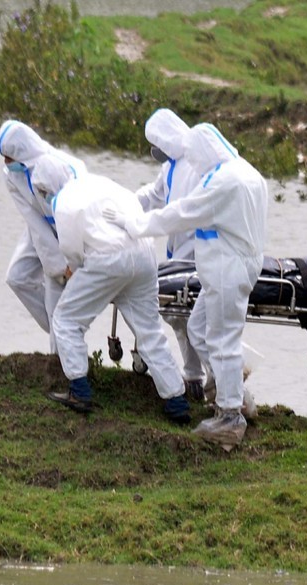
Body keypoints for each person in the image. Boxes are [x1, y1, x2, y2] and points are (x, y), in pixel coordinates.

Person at [104, 123, 268, 449]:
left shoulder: (224, 181)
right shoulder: (246, 173)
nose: (192, 165)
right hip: (237, 264)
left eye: (193, 158)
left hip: (226, 268)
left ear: (203, 150)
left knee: (222, 340)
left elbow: (180, 214)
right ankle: (236, 394)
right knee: (199, 327)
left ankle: (230, 417)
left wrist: (134, 225)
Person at [29, 158, 191, 424]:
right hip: (144, 255)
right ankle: (177, 401)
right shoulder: (103, 183)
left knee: (67, 319)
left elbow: (70, 249)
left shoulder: (65, 200)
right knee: (149, 330)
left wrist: (78, 271)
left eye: (44, 192)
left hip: (108, 259)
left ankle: (79, 391)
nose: (45, 197)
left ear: (50, 185)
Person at [0, 120, 86, 356]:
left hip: (73, 229)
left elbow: (78, 215)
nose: (5, 162)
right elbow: (32, 220)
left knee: (57, 299)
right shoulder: (11, 176)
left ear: (21, 151)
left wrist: (69, 263)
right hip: (40, 226)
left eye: (9, 156)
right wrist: (58, 265)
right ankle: (66, 331)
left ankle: (63, 347)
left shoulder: (57, 167)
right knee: (17, 277)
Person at [134, 108, 206, 403]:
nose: (156, 151)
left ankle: (206, 380)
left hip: (201, 252)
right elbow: (153, 196)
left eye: (158, 143)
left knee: (192, 319)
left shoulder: (198, 163)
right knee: (176, 314)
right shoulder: (171, 167)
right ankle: (194, 377)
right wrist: (123, 205)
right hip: (178, 254)